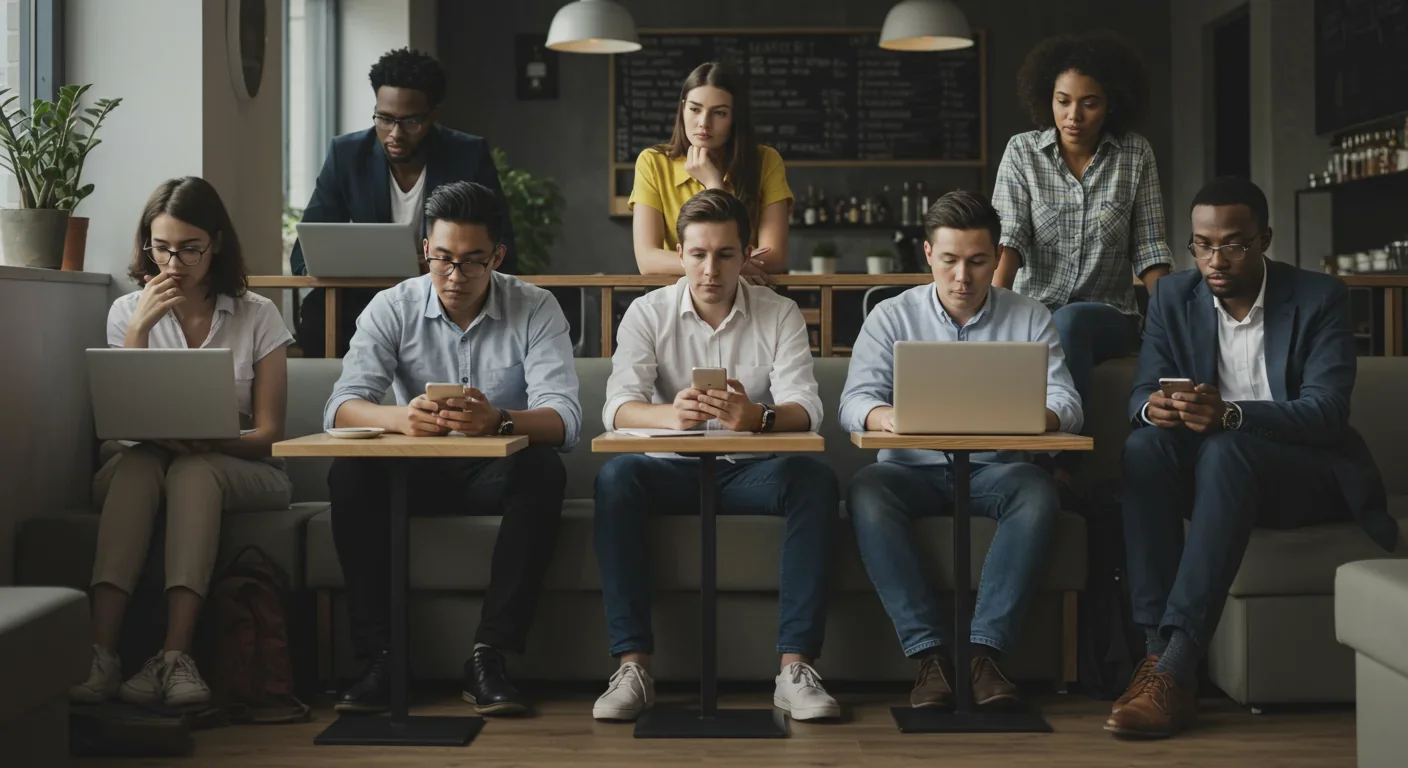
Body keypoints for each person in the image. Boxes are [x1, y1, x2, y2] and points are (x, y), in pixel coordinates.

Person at [1109, 177, 1397, 739]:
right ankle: (1156, 657)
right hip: (1216, 476)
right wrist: (1155, 408)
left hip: (1304, 477)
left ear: (1264, 238)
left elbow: (1326, 412)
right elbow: (1139, 393)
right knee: (1145, 447)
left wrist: (1233, 414)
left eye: (1233, 244)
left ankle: (1176, 666)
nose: (1214, 260)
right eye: (1201, 244)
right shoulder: (1172, 296)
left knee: (1228, 447)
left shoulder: (1318, 297)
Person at [323, 181, 579, 716]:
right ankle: (381, 657)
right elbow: (341, 407)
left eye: (471, 262)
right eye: (442, 260)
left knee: (542, 469)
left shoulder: (535, 307)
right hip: (412, 474)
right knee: (348, 472)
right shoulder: (392, 306)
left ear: (498, 257)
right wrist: (402, 418)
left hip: (494, 475)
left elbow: (564, 418)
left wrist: (500, 420)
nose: (455, 277)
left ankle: (490, 656)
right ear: (425, 250)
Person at [592, 189, 840, 722]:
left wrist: (758, 418)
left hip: (750, 470)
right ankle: (633, 666)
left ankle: (794, 669)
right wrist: (670, 417)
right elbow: (616, 408)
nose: (711, 269)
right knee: (615, 480)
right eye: (699, 254)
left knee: (814, 480)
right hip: (669, 469)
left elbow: (808, 409)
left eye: (726, 254)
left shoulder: (780, 313)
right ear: (680, 254)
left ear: (747, 253)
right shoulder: (646, 312)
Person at [839, 190, 1082, 710]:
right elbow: (854, 402)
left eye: (977, 262)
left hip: (997, 472)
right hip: (911, 471)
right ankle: (929, 657)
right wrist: (890, 419)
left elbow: (1067, 401)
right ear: (927, 254)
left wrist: (1030, 416)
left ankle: (983, 656)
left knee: (1038, 491)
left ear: (997, 257)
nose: (962, 278)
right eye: (949, 261)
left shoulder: (1030, 315)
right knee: (866, 489)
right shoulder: (890, 316)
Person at [70, 177, 294, 707]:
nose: (174, 262)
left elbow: (269, 434)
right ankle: (101, 653)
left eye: (190, 248)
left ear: (215, 242)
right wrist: (139, 332)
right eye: (161, 247)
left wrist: (211, 440)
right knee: (141, 463)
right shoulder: (128, 311)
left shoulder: (257, 313)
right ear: (146, 244)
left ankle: (175, 656)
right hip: (146, 460)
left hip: (243, 465)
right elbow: (122, 423)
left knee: (194, 469)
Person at [992, 31, 1172, 490]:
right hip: (1035, 315)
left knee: (1071, 321)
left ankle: (1058, 462)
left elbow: (1150, 248)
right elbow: (1008, 240)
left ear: (1111, 103)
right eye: (1062, 100)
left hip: (1108, 316)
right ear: (1045, 99)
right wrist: (989, 311)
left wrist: (1173, 322)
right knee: (1049, 324)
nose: (1074, 115)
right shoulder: (1022, 152)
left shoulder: (1135, 154)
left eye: (1089, 102)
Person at [291, 47, 516, 357]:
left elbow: (504, 244)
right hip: (362, 298)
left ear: (433, 115)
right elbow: (302, 256)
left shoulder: (467, 155)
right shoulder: (346, 155)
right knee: (318, 314)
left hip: (443, 294)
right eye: (384, 119)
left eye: (410, 122)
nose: (394, 134)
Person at [630, 62, 792, 282]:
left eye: (719, 113)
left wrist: (714, 185)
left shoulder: (766, 160)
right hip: (677, 298)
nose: (704, 123)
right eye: (695, 109)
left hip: (751, 296)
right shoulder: (653, 162)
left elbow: (774, 257)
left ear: (735, 118)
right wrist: (733, 264)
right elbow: (647, 261)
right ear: (683, 108)